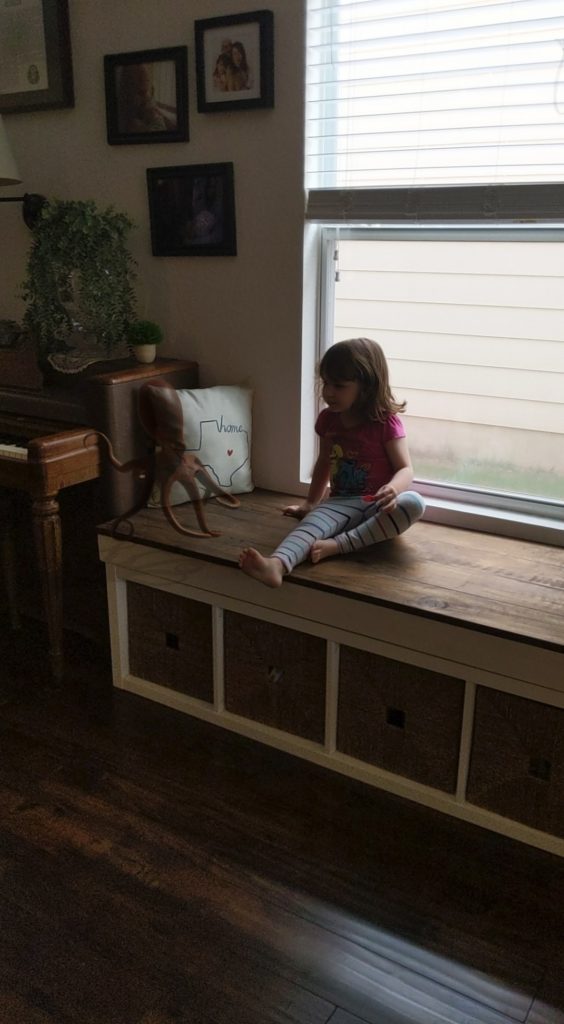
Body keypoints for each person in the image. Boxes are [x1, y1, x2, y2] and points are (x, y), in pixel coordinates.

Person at [239, 337, 425, 587]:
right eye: (326, 383)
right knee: (310, 526)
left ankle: (338, 546)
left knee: (414, 503)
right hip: (339, 503)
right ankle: (277, 565)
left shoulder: (385, 423)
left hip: (379, 506)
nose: (328, 392)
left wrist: (393, 489)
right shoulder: (329, 420)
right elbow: (324, 462)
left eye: (339, 385)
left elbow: (405, 468)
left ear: (366, 385)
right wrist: (310, 503)